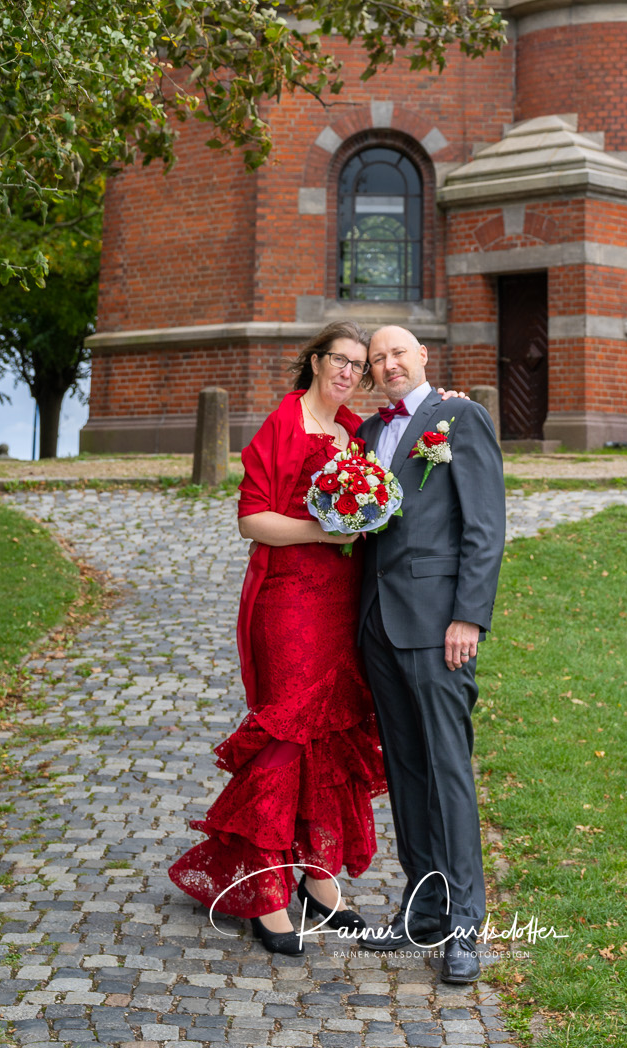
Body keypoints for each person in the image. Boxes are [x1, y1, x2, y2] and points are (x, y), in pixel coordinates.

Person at [167, 322, 383, 956]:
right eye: (339, 360)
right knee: (288, 732)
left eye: (359, 366)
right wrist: (325, 533)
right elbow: (250, 519)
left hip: (342, 604)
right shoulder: (283, 425)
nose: (348, 373)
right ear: (315, 361)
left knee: (328, 735)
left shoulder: (355, 432)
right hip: (288, 599)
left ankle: (318, 882)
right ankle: (264, 892)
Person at [355, 324, 507, 984]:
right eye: (376, 358)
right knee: (407, 771)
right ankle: (423, 910)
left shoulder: (458, 417)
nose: (387, 365)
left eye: (397, 353)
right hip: (378, 626)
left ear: (421, 357)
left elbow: (484, 525)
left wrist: (468, 616)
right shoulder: (365, 437)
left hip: (439, 623)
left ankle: (464, 927)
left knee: (447, 773)